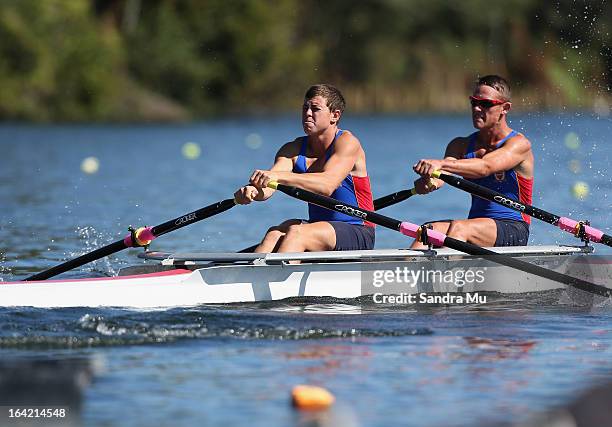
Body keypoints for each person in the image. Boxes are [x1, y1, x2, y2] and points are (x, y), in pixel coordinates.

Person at [234, 84, 375, 253]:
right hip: (318, 229)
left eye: (315, 109)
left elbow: (327, 185)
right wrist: (253, 191)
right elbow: (269, 189)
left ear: (334, 115)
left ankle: (277, 277)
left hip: (357, 229)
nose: (307, 113)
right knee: (275, 233)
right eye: (305, 108)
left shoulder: (347, 143)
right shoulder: (292, 149)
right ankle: (250, 276)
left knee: (296, 233)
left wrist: (277, 177)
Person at [411, 75, 533, 248]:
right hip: (475, 226)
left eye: (485, 104)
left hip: (512, 227)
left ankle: (446, 275)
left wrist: (440, 164)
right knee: (426, 232)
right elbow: (442, 175)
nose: (476, 108)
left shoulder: (519, 144)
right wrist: (429, 181)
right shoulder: (460, 145)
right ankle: (403, 274)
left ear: (505, 108)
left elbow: (485, 166)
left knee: (460, 229)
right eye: (473, 102)